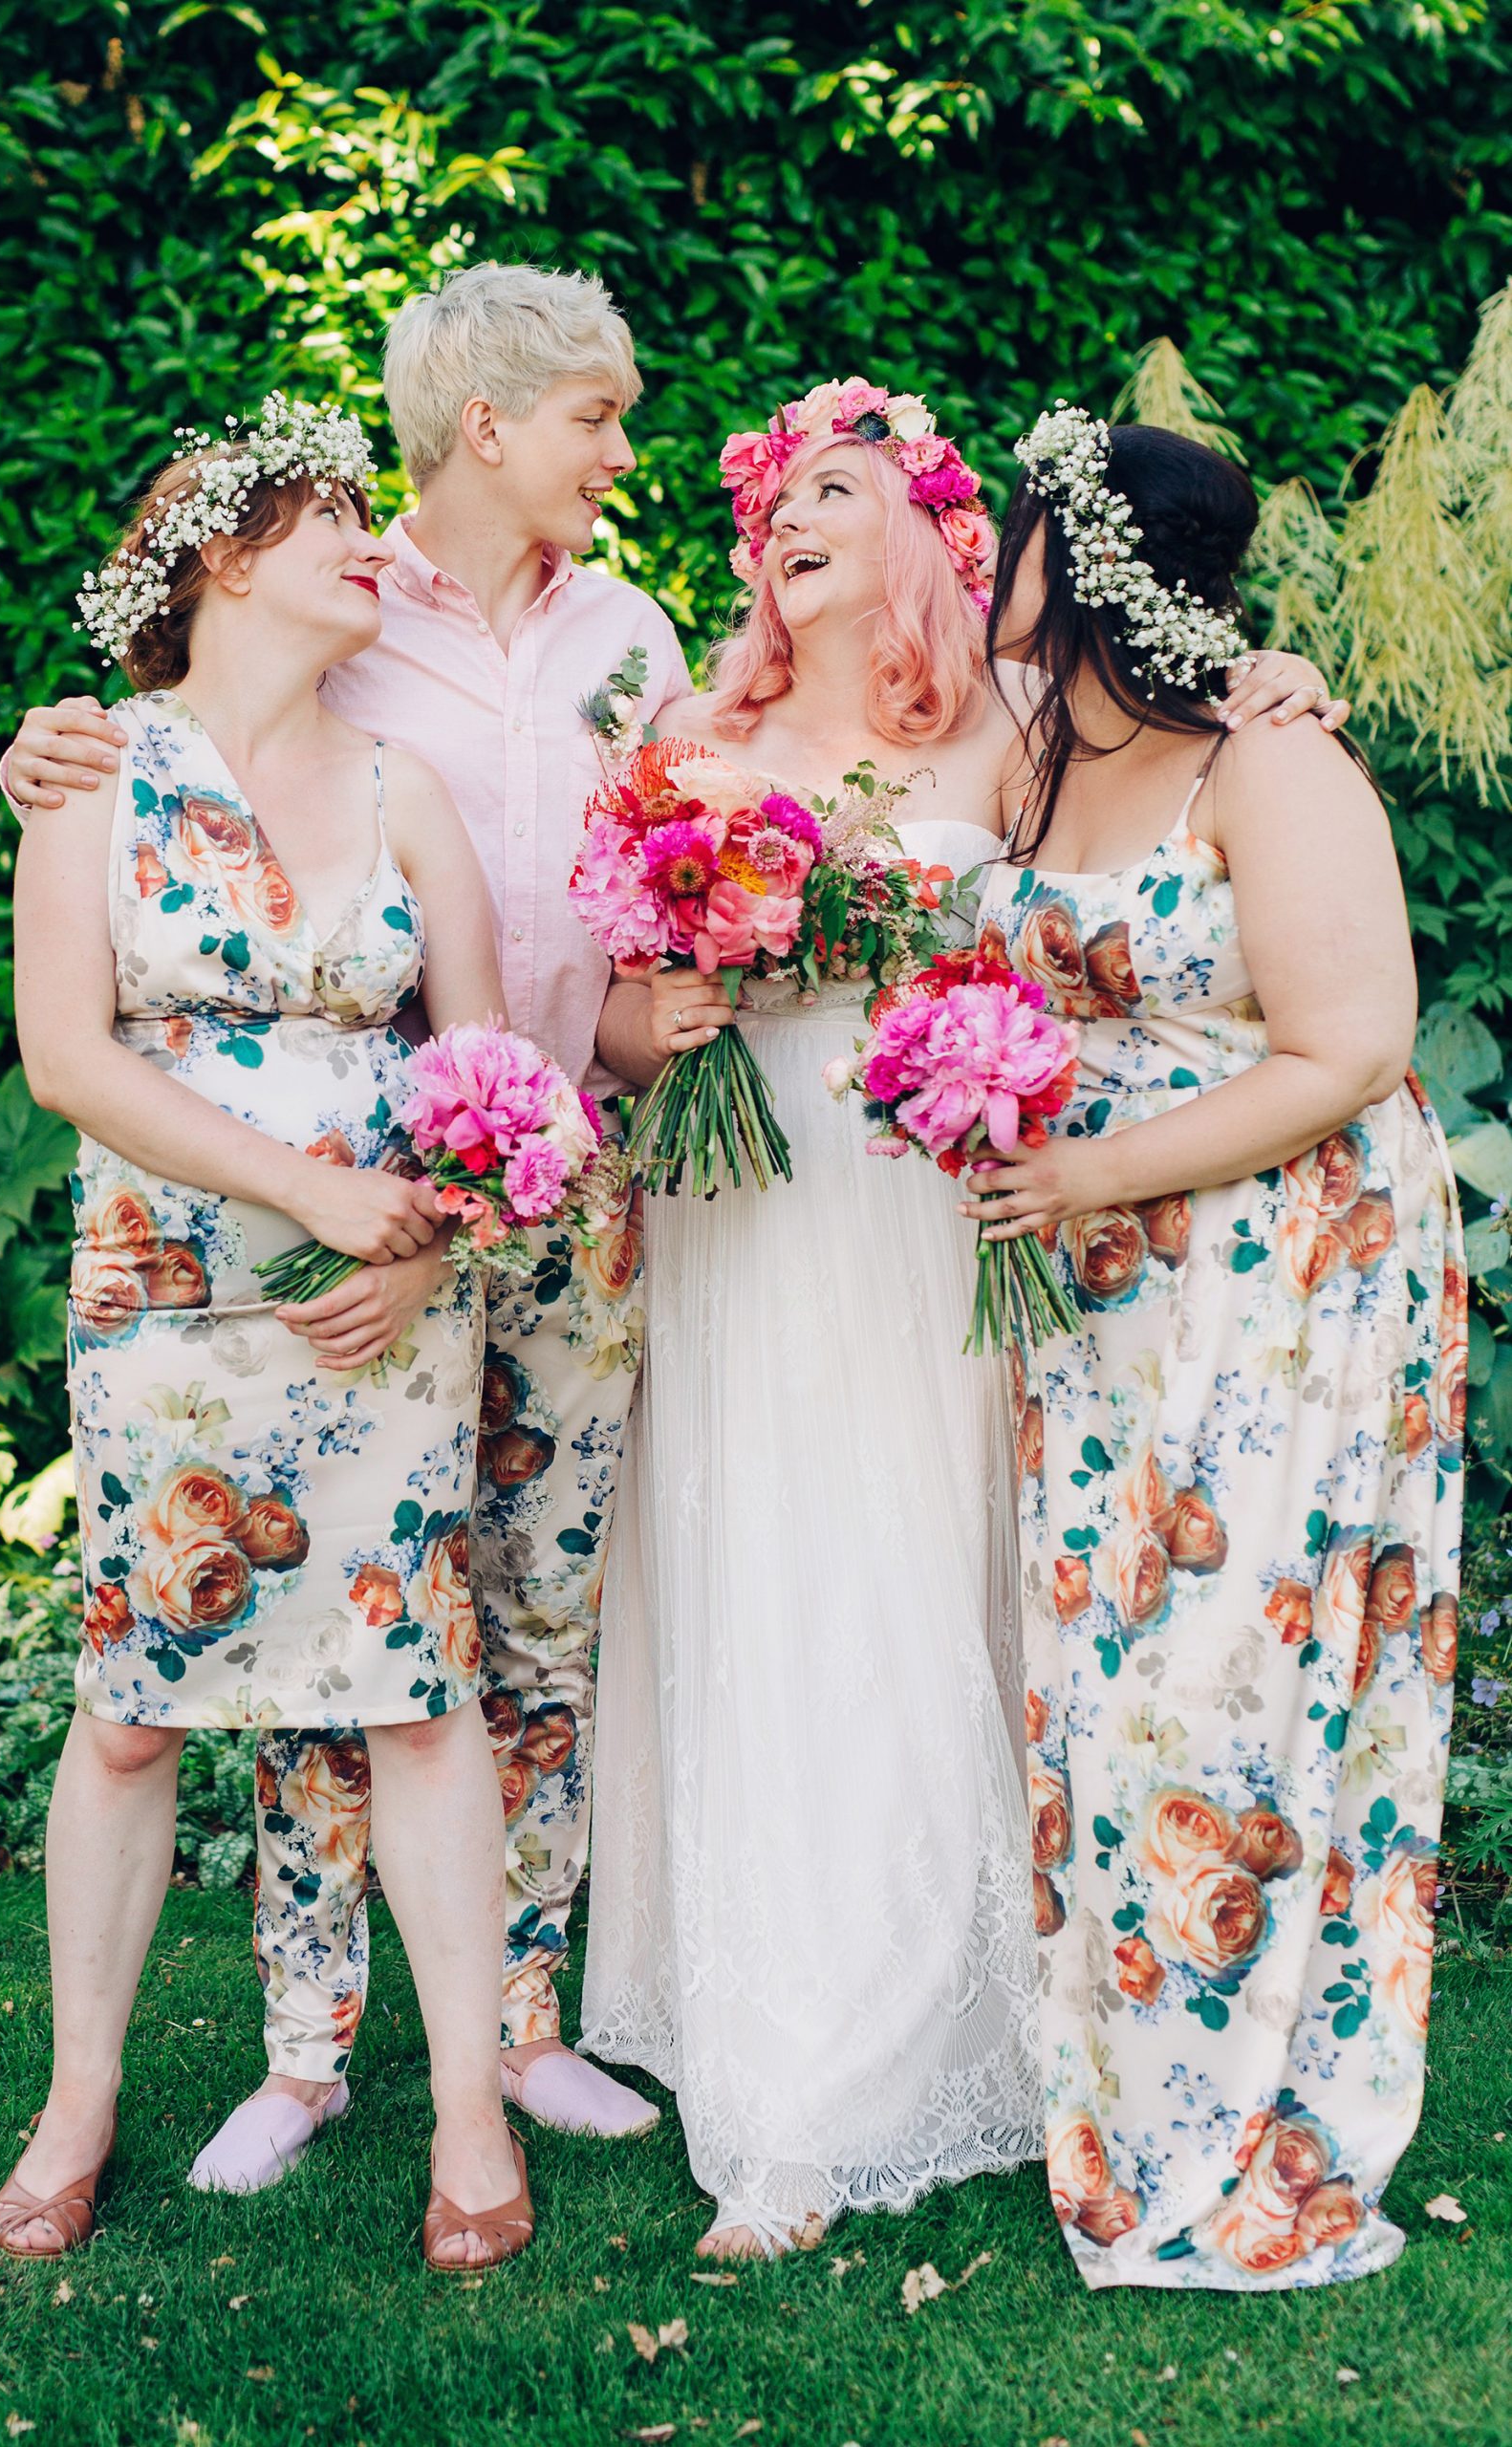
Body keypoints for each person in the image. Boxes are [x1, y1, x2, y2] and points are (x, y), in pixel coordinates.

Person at [579, 378, 1350, 2261]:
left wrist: (1277, 686)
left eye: (832, 485)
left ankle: (970, 2029)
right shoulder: (692, 729)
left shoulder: (1015, 728)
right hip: (747, 1209)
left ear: (933, 528)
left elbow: (1182, 781)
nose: (782, 517)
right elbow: (605, 991)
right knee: (767, 1585)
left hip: (944, 1206)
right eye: (769, 500)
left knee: (944, 1583)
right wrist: (648, 1020)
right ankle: (785, 2091)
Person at [0, 264, 692, 2187]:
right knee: (227, 1680)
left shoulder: (623, 642)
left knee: (488, 1640)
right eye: (592, 415)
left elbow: (709, 809)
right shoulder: (306, 636)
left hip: (489, 1225)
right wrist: (36, 753)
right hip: (221, 1271)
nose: (619, 453)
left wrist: (425, 1230)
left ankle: (508, 2045)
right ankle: (293, 2052)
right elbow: (77, 998)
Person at [0, 395, 534, 2269]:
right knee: (133, 1712)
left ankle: (466, 2107)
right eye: (334, 520)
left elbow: (484, 1081)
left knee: (411, 1689)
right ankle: (81, 2094)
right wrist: (302, 1191)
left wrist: (425, 1242)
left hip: (379, 1322)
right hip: (166, 1305)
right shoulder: (90, 777)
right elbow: (71, 1056)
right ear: (224, 554)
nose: (373, 543)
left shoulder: (408, 794)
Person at [961, 406, 1461, 2289]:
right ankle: (1134, 2084)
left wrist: (1083, 1162)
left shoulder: (1265, 762)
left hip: (1280, 1277)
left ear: (1080, 560)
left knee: (1230, 1675)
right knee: (1103, 1674)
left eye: (1006, 535)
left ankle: (1252, 2103)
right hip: (1093, 1299)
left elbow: (1340, 1045)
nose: (978, 566)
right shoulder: (1035, 757)